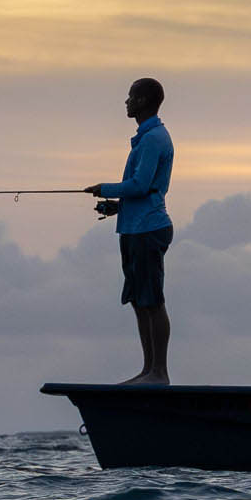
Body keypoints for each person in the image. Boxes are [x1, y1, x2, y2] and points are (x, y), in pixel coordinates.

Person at [85, 77, 174, 385]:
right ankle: (147, 370)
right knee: (139, 301)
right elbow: (142, 191)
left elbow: (141, 185)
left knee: (153, 300)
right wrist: (116, 207)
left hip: (149, 229)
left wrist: (103, 188)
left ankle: (159, 373)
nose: (127, 102)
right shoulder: (145, 138)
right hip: (135, 228)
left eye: (131, 97)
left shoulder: (153, 139)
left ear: (144, 101)